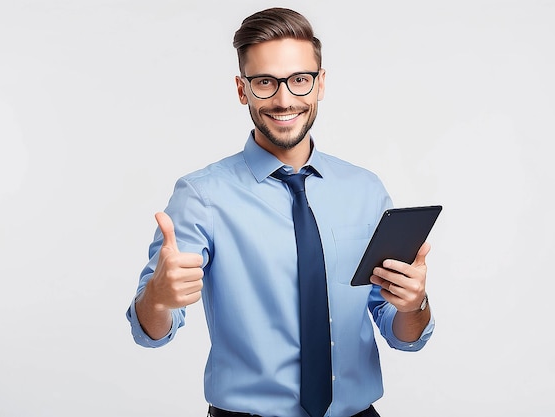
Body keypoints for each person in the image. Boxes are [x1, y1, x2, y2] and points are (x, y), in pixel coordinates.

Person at [127, 7, 435, 417]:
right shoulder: (202, 196)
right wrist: (159, 299)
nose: (284, 99)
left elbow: (404, 335)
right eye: (265, 82)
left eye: (299, 80)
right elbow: (149, 331)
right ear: (242, 90)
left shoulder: (366, 191)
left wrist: (414, 305)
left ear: (320, 83)